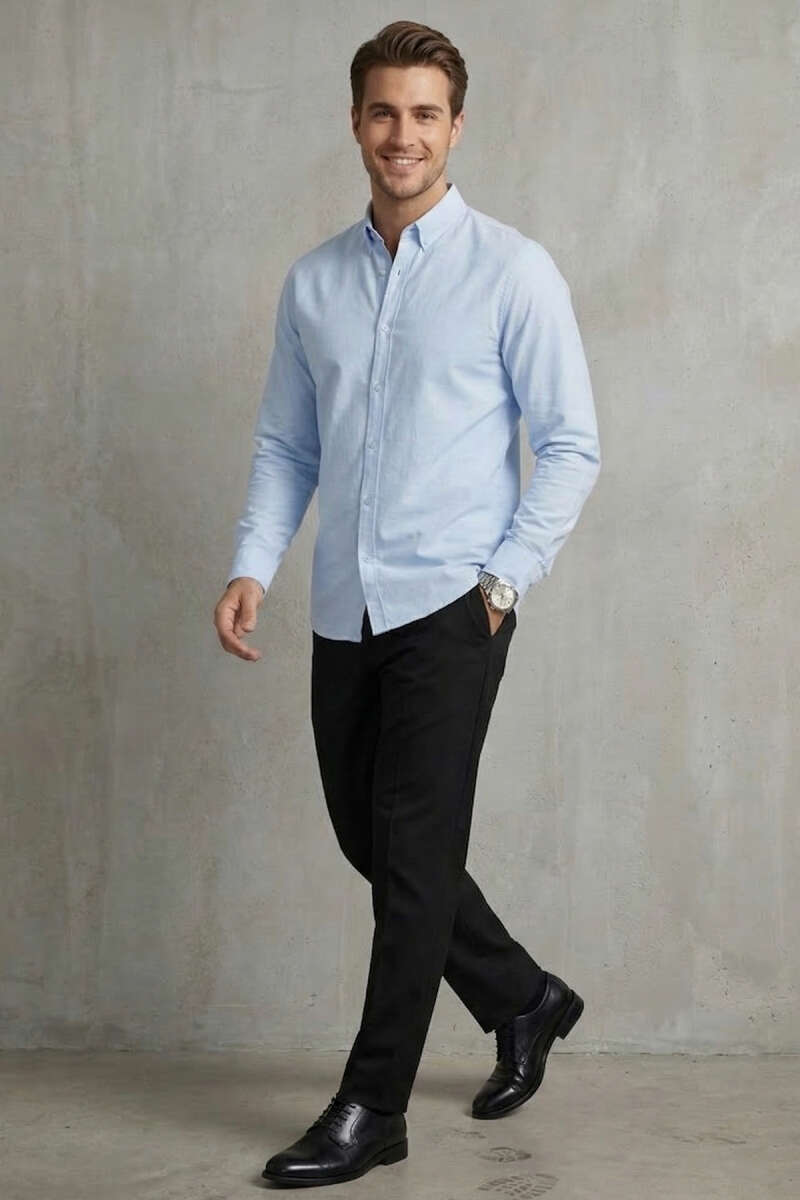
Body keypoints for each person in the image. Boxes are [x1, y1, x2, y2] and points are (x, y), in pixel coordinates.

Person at [214, 19, 600, 1189]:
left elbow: (570, 444)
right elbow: (288, 445)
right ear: (355, 122)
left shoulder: (511, 270)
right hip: (346, 607)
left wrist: (502, 581)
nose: (402, 134)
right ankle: (521, 996)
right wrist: (252, 564)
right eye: (383, 111)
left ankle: (369, 1106)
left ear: (455, 127)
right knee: (372, 839)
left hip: (452, 605)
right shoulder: (313, 282)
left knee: (415, 859)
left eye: (424, 113)